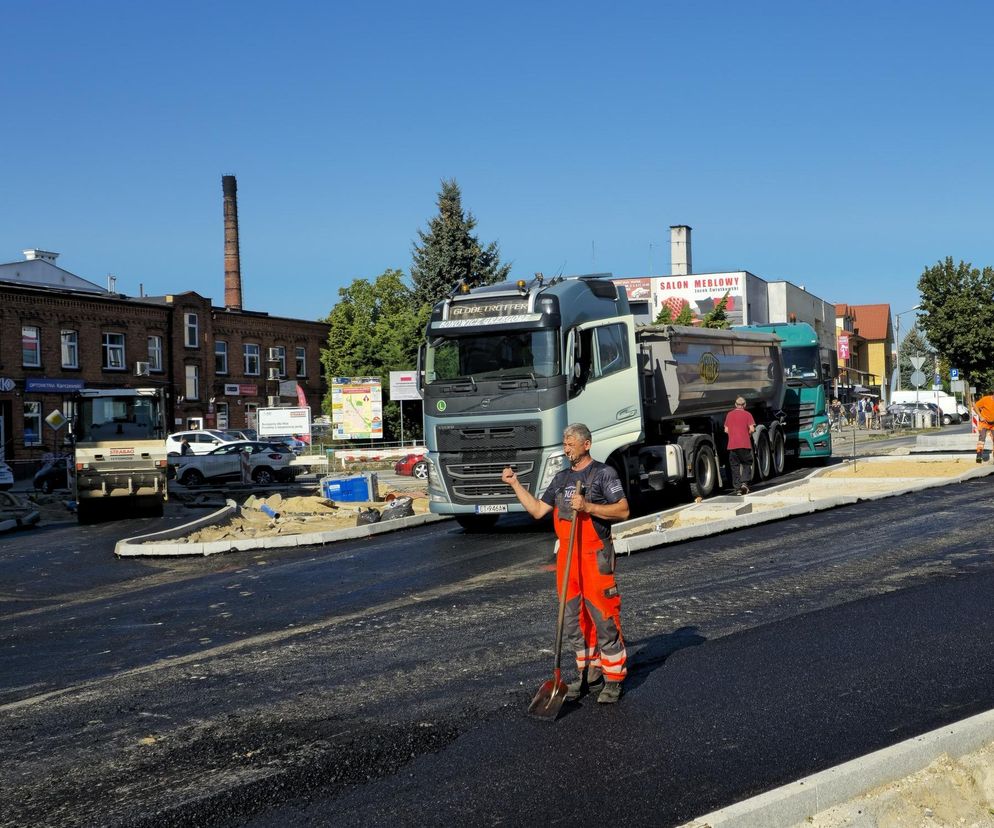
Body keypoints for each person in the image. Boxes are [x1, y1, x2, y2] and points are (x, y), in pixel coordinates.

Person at [501, 424, 630, 704]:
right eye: (564, 442)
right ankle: (586, 673)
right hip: (568, 559)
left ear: (587, 444)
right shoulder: (560, 479)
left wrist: (590, 507)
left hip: (595, 556)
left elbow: (623, 509)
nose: (566, 447)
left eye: (571, 442)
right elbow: (537, 510)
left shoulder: (603, 474)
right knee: (573, 620)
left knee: (604, 618)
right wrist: (514, 484)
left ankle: (614, 679)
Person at [724, 396, 756, 495]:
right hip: (744, 444)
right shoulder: (748, 414)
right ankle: (744, 484)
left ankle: (737, 488)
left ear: (735, 405)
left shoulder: (729, 415)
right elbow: (752, 429)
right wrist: (748, 434)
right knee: (747, 463)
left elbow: (726, 430)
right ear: (744, 405)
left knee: (735, 466)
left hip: (732, 445)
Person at [973, 393, 994, 463]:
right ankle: (979, 456)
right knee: (982, 437)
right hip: (984, 423)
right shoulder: (986, 399)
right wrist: (980, 416)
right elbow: (975, 406)